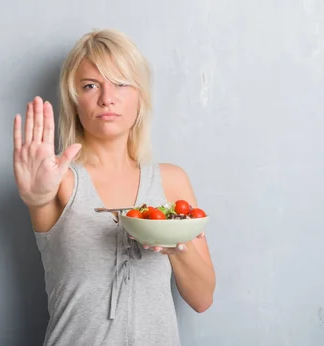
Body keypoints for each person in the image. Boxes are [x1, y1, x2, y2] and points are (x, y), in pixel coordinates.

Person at [12, 28, 216, 346]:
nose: (107, 98)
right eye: (90, 86)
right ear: (74, 101)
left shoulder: (172, 181)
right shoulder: (58, 180)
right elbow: (39, 198)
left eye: (121, 83)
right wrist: (36, 198)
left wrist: (177, 249)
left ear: (140, 98)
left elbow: (203, 299)